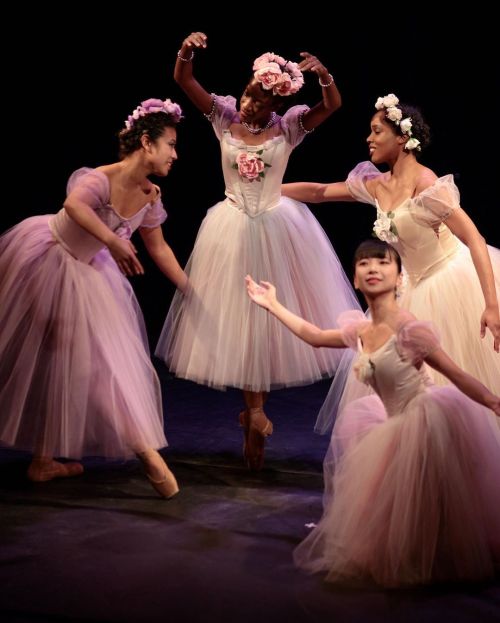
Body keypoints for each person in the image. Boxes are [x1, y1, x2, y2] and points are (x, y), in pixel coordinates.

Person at [155, 32, 359, 470]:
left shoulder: (288, 127)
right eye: (249, 96)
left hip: (275, 227)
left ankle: (254, 413)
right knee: (243, 319)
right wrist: (186, 50)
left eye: (261, 102)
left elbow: (332, 107)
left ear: (275, 105)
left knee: (264, 323)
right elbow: (184, 79)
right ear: (245, 89)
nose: (250, 106)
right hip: (230, 227)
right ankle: (255, 412)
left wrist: (324, 76)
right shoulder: (222, 115)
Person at [246, 239, 500, 587]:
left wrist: (492, 401)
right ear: (354, 279)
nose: (373, 269)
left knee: (429, 497)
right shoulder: (361, 330)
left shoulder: (409, 327)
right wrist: (273, 304)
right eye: (365, 264)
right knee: (399, 503)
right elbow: (316, 336)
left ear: (399, 278)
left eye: (383, 263)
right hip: (390, 421)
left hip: (424, 419)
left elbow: (455, 374)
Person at [0, 98, 187, 499]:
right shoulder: (102, 178)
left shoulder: (151, 195)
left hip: (88, 274)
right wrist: (112, 244)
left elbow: (159, 249)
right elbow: (73, 206)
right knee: (93, 363)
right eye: (170, 144)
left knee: (63, 358)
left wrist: (191, 290)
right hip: (48, 261)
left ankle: (42, 460)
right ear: (146, 144)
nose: (175, 153)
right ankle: (149, 456)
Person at [281, 93, 500, 432]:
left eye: (376, 131)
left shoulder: (428, 185)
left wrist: (491, 304)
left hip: (451, 280)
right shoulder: (378, 185)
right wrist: (270, 190)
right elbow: (320, 192)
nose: (369, 139)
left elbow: (475, 239)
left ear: (402, 137)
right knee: (417, 392)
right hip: (413, 286)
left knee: (452, 380)